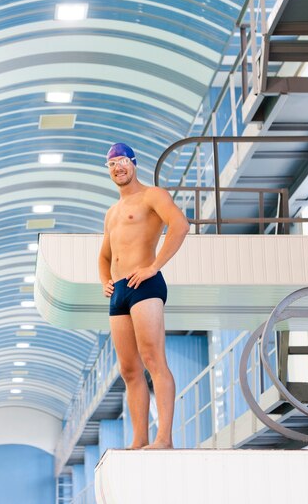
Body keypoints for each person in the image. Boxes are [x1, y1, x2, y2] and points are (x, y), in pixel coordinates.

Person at [98, 142, 189, 449]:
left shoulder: (153, 196)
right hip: (119, 290)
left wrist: (154, 266)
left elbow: (180, 225)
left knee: (153, 359)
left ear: (134, 164)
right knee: (129, 369)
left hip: (144, 285)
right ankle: (140, 441)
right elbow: (104, 256)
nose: (117, 167)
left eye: (122, 161)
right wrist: (104, 281)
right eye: (111, 164)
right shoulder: (112, 212)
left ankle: (164, 438)